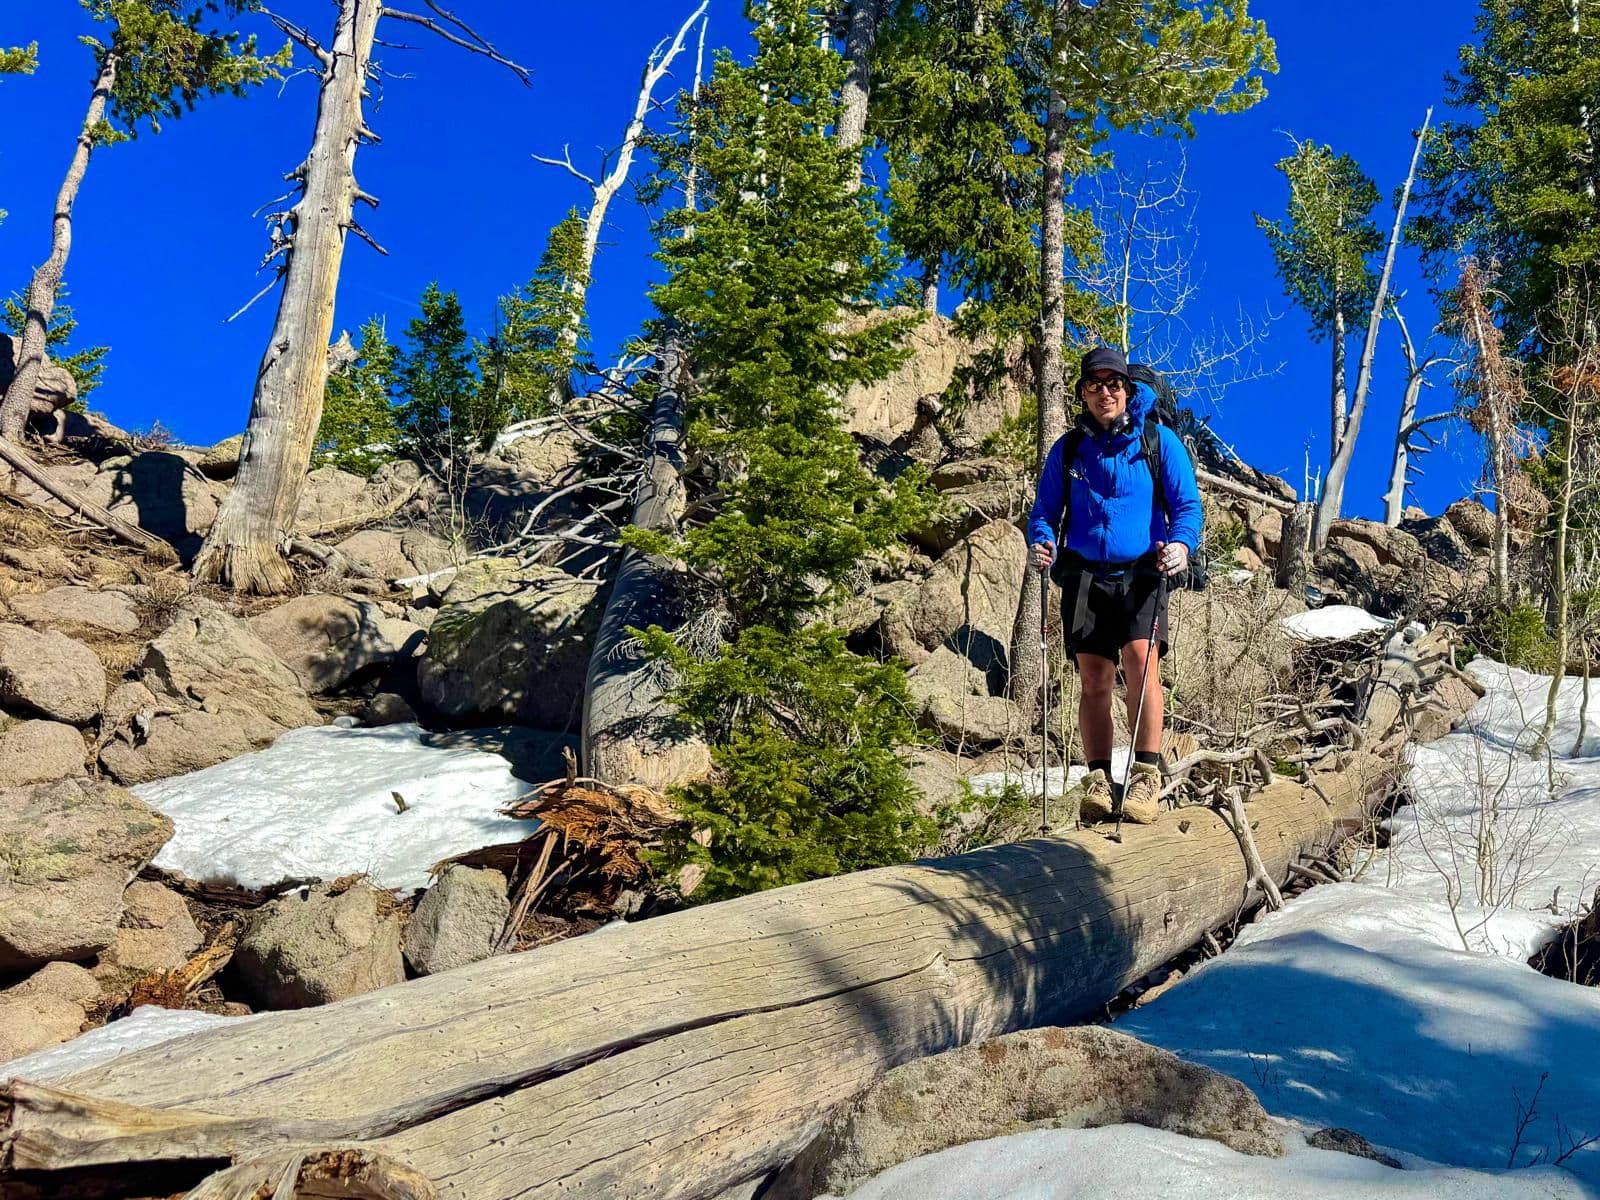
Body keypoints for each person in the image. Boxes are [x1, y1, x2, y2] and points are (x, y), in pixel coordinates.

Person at [1026, 347, 1203, 825]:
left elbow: (1187, 506)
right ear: (1082, 392)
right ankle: (1100, 779)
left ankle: (1145, 774)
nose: (1104, 391)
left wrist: (1182, 546)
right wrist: (1042, 542)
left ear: (1127, 391)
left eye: (1113, 384)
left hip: (1144, 569)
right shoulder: (1068, 450)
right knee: (1094, 679)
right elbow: (1044, 512)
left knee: (1142, 664)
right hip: (1083, 575)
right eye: (1094, 384)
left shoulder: (1157, 441)